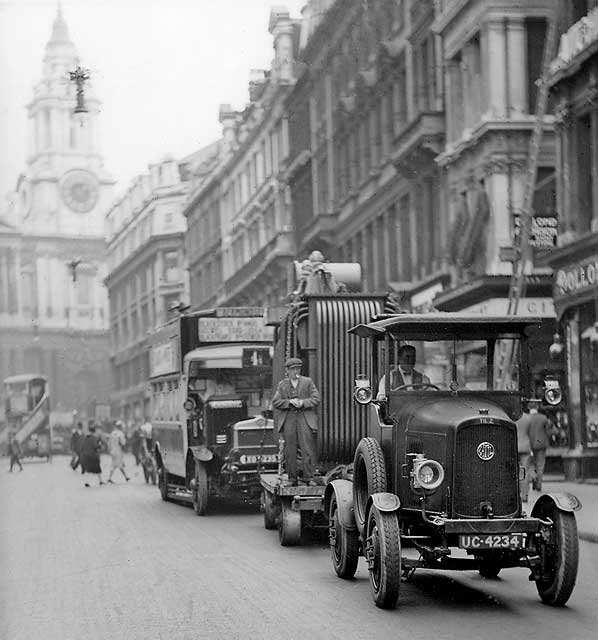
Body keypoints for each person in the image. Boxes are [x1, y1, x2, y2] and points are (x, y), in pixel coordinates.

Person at [272, 357, 320, 486]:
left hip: (304, 418)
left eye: (297, 368)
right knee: (290, 450)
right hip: (289, 420)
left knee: (307, 448)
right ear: (287, 371)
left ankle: (308, 478)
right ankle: (292, 479)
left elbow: (316, 399)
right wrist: (289, 402)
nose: (295, 371)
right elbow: (275, 402)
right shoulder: (282, 384)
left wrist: (303, 402)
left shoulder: (307, 382)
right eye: (292, 369)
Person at [520, 399, 554, 492]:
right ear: (537, 407)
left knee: (530, 465)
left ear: (528, 407)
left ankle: (533, 478)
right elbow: (549, 431)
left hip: (529, 444)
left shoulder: (526, 418)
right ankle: (538, 484)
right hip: (541, 444)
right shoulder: (543, 418)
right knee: (540, 464)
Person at [515, 411, 532, 502]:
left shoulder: (511, 417)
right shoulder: (528, 418)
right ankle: (525, 495)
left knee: (514, 471)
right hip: (525, 445)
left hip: (514, 445)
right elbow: (530, 433)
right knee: (525, 471)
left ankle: (516, 495)